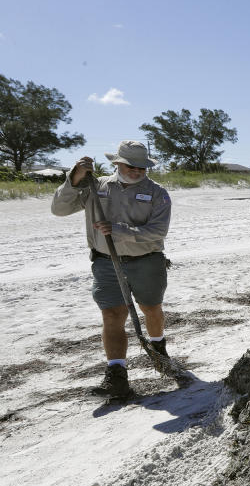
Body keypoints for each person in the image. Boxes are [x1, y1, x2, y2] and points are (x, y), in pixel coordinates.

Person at [51, 140, 172, 398]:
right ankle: (117, 376)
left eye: (142, 167)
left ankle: (158, 347)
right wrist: (73, 178)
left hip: (147, 260)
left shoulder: (157, 192)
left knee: (151, 309)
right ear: (117, 163)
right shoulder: (96, 187)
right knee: (112, 315)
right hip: (106, 261)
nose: (137, 171)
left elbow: (158, 232)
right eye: (131, 166)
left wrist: (119, 230)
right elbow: (59, 209)